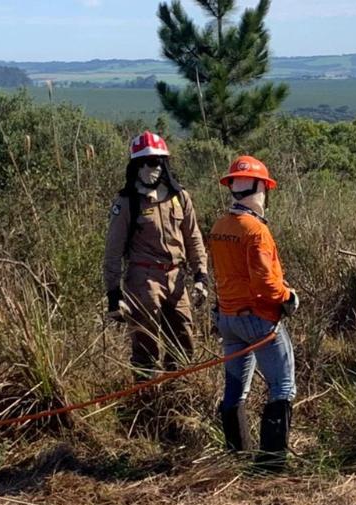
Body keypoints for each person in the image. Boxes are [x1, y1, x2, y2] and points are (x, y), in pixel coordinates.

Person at [208, 155, 298, 472]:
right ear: (261, 188)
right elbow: (265, 284)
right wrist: (288, 297)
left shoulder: (221, 226)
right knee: (283, 388)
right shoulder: (255, 231)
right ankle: (272, 466)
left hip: (228, 319)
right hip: (258, 319)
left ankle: (237, 455)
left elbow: (221, 274)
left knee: (235, 389)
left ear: (233, 186)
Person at [104, 131, 208, 379]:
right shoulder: (128, 202)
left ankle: (177, 396)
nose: (149, 168)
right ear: (135, 166)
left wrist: (201, 276)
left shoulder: (179, 197)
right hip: (143, 278)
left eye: (155, 162)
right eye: (143, 163)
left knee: (184, 338)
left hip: (176, 277)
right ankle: (146, 400)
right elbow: (113, 249)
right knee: (145, 342)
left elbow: (194, 238)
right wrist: (113, 293)